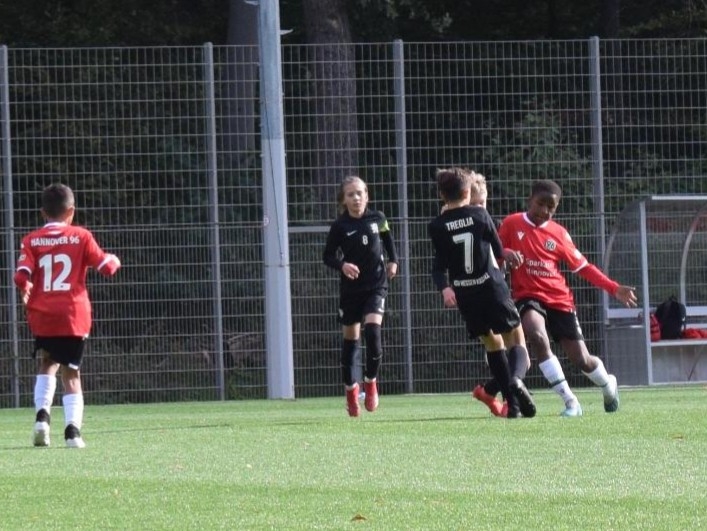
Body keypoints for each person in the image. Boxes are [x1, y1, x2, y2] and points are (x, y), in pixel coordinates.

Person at [497, 179, 637, 416]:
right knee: (536, 335)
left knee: (582, 359)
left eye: (551, 207)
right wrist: (505, 253)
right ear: (530, 200)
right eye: (540, 204)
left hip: (560, 300)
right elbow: (494, 254)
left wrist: (614, 288)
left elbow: (584, 267)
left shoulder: (559, 233)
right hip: (528, 296)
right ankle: (571, 402)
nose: (544, 211)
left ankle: (607, 384)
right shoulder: (512, 224)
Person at [14, 183, 121, 447]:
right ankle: (73, 432)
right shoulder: (81, 236)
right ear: (71, 211)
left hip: (43, 315)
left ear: (43, 213)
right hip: (73, 315)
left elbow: (20, 276)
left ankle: (42, 418)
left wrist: (26, 287)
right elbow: (106, 267)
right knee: (71, 373)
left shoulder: (31, 240)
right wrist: (114, 259)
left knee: (47, 362)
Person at [429, 168, 535, 419]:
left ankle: (512, 407)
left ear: (442, 195)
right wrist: (505, 254)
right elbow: (498, 250)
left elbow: (438, 265)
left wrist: (445, 288)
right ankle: (516, 382)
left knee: (492, 344)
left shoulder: (436, 226)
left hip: (466, 295)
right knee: (517, 343)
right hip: (492, 287)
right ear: (467, 193)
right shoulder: (480, 216)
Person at [323, 176, 398, 417]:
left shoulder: (378, 218)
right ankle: (350, 391)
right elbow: (327, 256)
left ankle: (371, 382)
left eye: (360, 193)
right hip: (351, 291)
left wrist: (394, 261)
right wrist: (342, 265)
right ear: (343, 200)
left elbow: (388, 240)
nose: (356, 198)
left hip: (376, 285)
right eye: (351, 194)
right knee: (351, 342)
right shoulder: (340, 226)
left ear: (367, 195)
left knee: (373, 332)